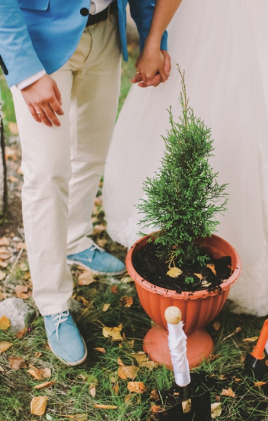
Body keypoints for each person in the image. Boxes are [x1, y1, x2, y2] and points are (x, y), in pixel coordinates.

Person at [103, 0, 268, 322]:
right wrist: (153, 42)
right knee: (194, 115)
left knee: (264, 130)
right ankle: (183, 240)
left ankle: (249, 251)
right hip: (202, 23)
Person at [0, 0, 181, 365]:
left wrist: (151, 39)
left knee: (92, 151)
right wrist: (27, 73)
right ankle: (53, 302)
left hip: (105, 32)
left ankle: (73, 237)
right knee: (48, 174)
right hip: (41, 41)